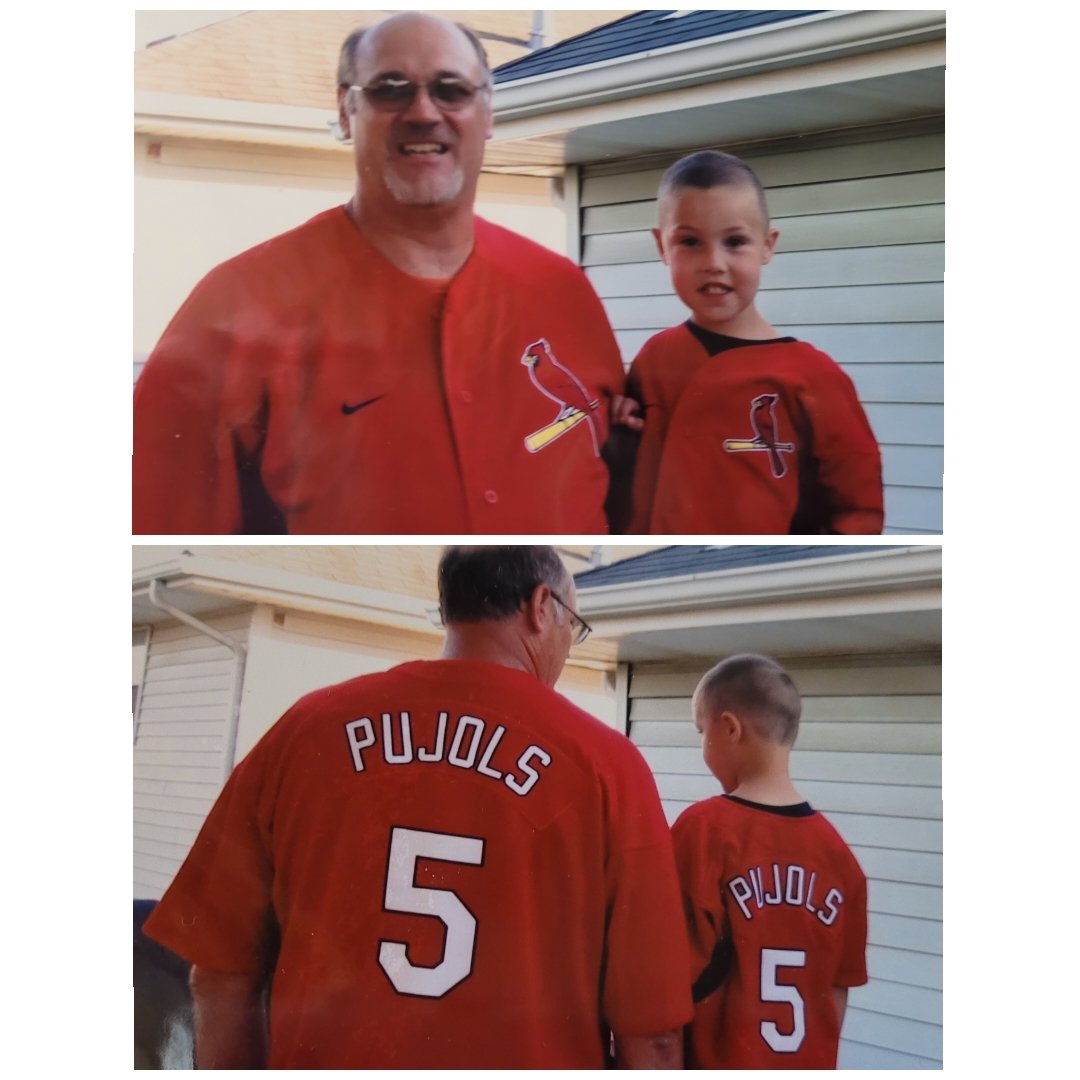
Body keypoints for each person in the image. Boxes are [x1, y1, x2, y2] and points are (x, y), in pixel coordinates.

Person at [143, 546, 692, 1068]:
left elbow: (217, 973)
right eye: (572, 623)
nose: (569, 643)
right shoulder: (607, 766)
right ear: (541, 606)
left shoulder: (304, 732)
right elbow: (655, 1035)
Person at [133, 14, 625, 534]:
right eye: (390, 89)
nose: (423, 111)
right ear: (346, 111)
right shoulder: (234, 308)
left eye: (451, 89)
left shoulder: (564, 294)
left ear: (487, 114)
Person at [610, 150, 883, 534]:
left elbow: (858, 507)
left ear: (767, 245)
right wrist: (619, 429)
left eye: (735, 241)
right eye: (690, 242)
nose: (713, 262)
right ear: (661, 247)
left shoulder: (814, 377)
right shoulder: (656, 359)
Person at [670, 654, 868, 1069]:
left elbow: (668, 982)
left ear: (729, 729)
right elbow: (837, 991)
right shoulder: (840, 858)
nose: (703, 747)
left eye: (702, 733)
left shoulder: (703, 831)